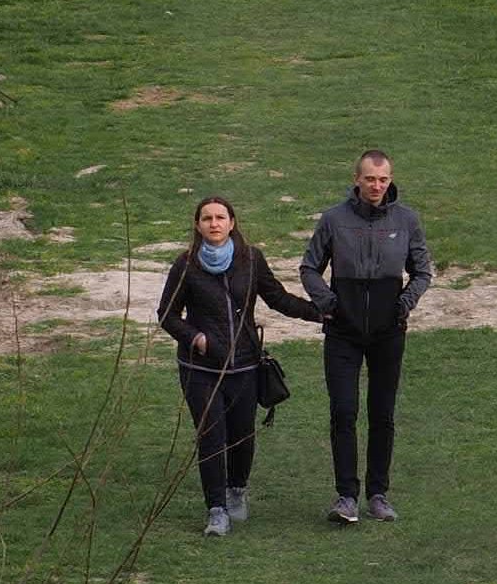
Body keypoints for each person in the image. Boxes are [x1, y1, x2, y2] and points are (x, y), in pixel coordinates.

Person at [155, 195, 320, 537]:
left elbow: (277, 297)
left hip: (245, 366)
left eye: (220, 217)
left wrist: (319, 312)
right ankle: (216, 509)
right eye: (206, 218)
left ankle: (236, 490)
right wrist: (196, 338)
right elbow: (167, 315)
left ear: (232, 223)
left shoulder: (250, 259)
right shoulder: (185, 265)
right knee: (211, 436)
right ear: (198, 225)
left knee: (242, 435)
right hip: (200, 370)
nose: (214, 224)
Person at [301, 147, 433, 525]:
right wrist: (330, 303)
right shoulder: (334, 220)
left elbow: (422, 271)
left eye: (383, 179)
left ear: (390, 181)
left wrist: (404, 304)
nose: (376, 186)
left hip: (388, 331)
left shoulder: (407, 220)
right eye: (370, 179)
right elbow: (309, 267)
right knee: (344, 411)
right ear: (356, 179)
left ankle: (378, 494)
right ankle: (346, 496)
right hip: (343, 331)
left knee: (382, 413)